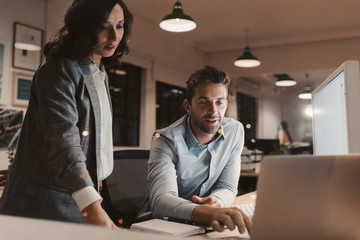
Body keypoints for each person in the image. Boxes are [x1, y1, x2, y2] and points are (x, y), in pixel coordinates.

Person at [0, 0, 133, 229]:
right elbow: (65, 141)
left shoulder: (100, 72)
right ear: (85, 27)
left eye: (120, 26)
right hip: (45, 203)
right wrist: (91, 205)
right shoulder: (60, 67)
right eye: (104, 26)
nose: (114, 35)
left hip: (84, 197)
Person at [139, 66, 252, 234]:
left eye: (219, 102)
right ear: (188, 106)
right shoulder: (165, 140)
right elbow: (161, 202)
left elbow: (228, 187)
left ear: (226, 104)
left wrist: (217, 201)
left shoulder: (235, 131)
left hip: (201, 225)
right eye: (203, 102)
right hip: (160, 226)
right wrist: (207, 213)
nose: (214, 111)